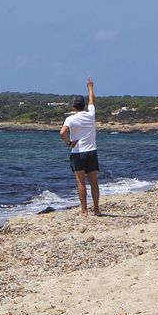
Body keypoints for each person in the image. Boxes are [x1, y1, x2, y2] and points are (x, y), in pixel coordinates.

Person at [60, 77, 101, 215]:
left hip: (77, 152)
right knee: (94, 182)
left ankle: (84, 210)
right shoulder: (91, 115)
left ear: (73, 106)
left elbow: (62, 132)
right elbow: (92, 100)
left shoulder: (70, 119)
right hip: (91, 151)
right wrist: (90, 87)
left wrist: (69, 143)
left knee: (81, 182)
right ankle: (96, 209)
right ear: (83, 105)